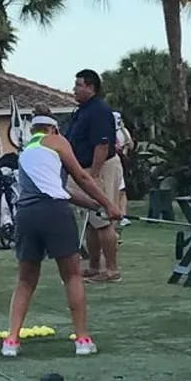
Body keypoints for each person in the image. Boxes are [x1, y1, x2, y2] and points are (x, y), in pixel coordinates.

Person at [2, 107, 122, 358]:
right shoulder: (57, 141)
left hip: (26, 215)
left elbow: (59, 189)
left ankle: (11, 341)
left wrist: (95, 206)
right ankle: (82, 339)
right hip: (55, 214)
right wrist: (110, 205)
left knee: (25, 280)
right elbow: (82, 177)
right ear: (53, 128)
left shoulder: (26, 151)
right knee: (72, 276)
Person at [64, 69, 122, 282]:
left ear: (91, 87)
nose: (74, 89)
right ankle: (94, 266)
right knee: (90, 220)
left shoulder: (99, 110)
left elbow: (102, 145)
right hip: (83, 170)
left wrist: (94, 175)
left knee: (103, 218)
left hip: (100, 168)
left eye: (78, 85)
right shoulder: (82, 110)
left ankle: (112, 270)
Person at [113, 111, 134, 228]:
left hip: (123, 162)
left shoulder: (123, 131)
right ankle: (117, 215)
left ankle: (124, 215)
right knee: (116, 190)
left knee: (122, 190)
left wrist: (123, 131)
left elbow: (130, 145)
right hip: (113, 163)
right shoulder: (108, 131)